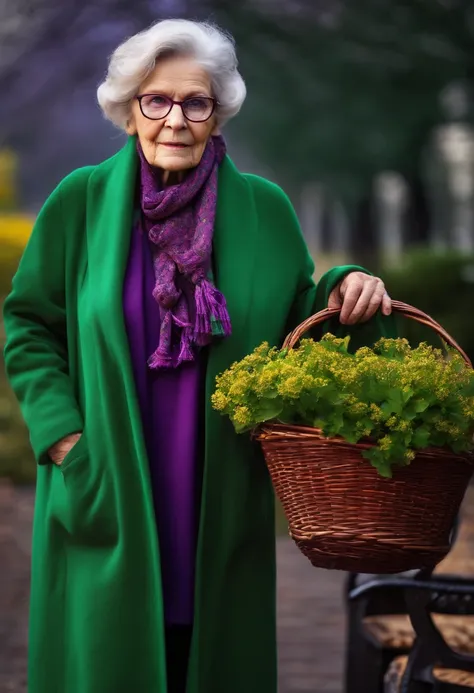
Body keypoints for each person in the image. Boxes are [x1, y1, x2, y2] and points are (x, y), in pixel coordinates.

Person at [3, 18, 394, 693]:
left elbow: (299, 317)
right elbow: (30, 323)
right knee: (104, 664)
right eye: (157, 100)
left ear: (219, 113)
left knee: (211, 662)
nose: (175, 119)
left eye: (196, 101)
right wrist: (65, 438)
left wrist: (345, 288)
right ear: (130, 110)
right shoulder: (81, 202)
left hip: (215, 486)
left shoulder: (263, 209)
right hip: (109, 479)